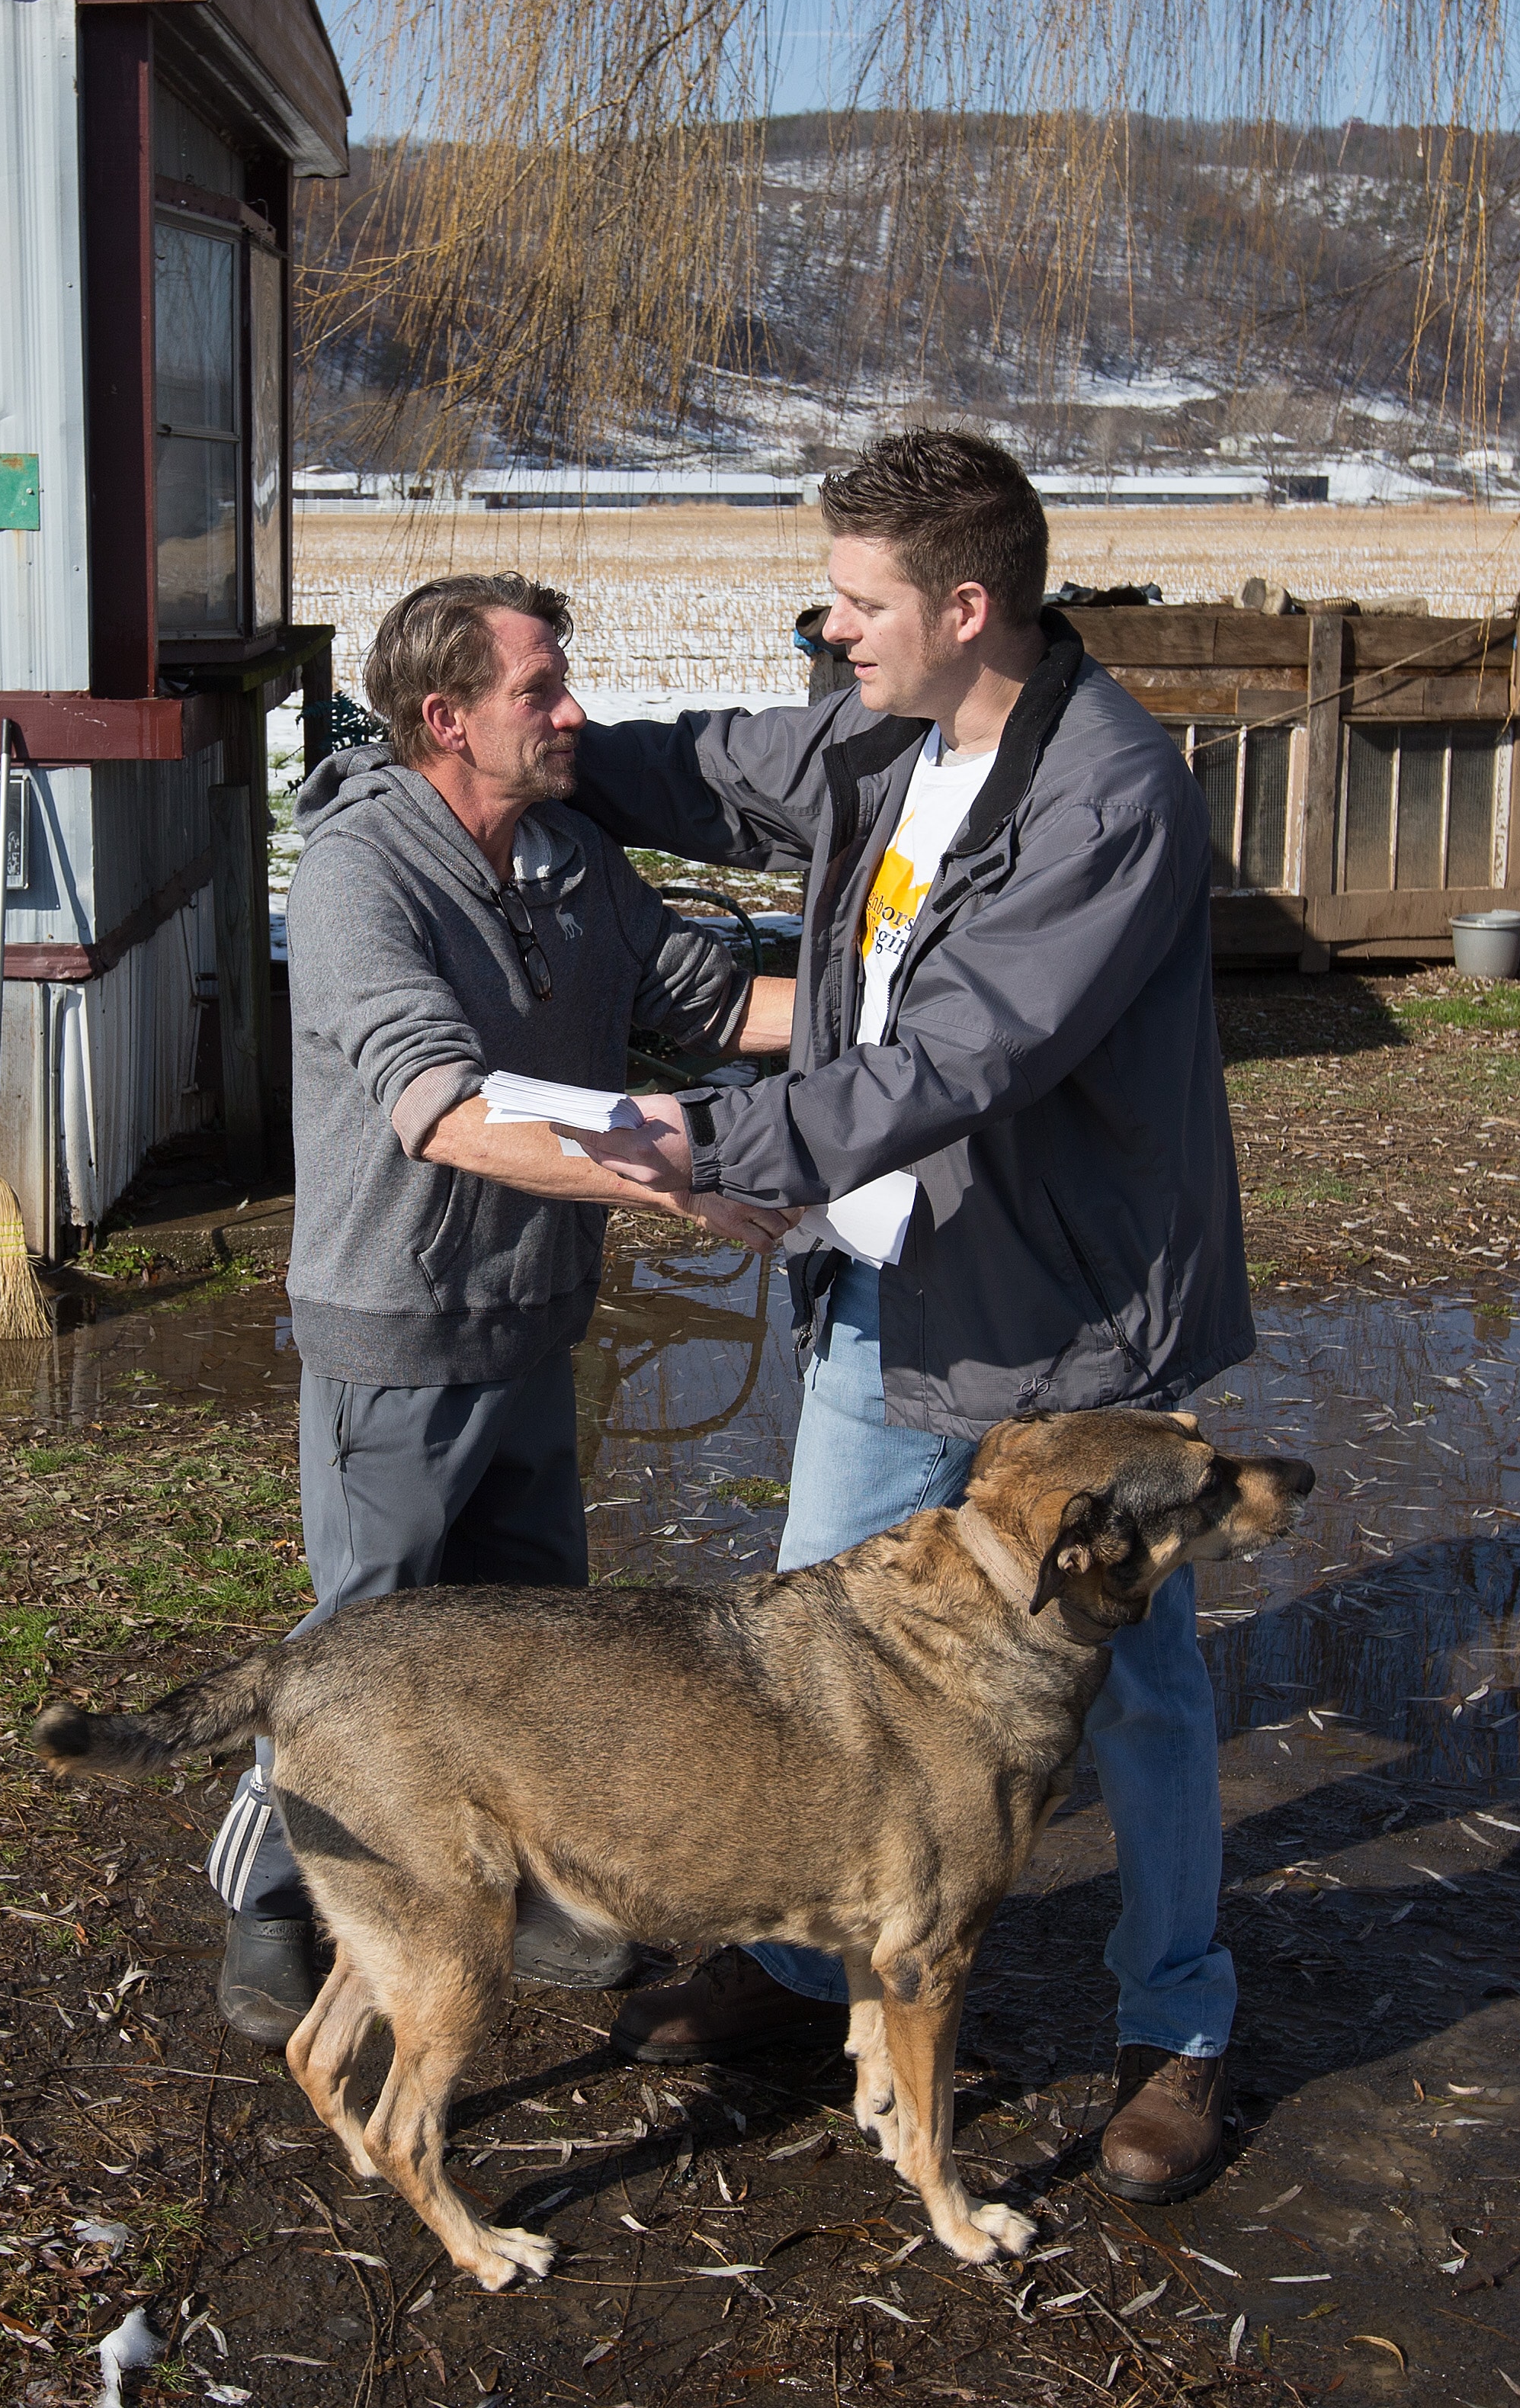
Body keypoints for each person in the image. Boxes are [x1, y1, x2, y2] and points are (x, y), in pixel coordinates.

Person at [561, 428, 1260, 2204]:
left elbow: (959, 1061)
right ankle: (806, 1967)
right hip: (892, 1275)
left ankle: (1176, 2025)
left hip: (1074, 1324)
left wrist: (703, 1132)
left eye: (861, 602)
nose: (832, 629)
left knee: (1140, 1695)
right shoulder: (892, 732)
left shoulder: (1103, 795)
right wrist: (545, 753)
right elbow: (718, 765)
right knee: (818, 1650)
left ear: (966, 605)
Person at [216, 569, 786, 2042]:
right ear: (445, 718)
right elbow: (445, 1113)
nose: (575, 713)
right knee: (368, 1650)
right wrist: (678, 1181)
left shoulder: (571, 857)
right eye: (543, 690)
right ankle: (274, 1901)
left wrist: (918, 1005)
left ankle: (526, 1897)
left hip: (537, 1314)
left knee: (534, 1644)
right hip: (395, 1329)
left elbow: (716, 1007)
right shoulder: (361, 875)